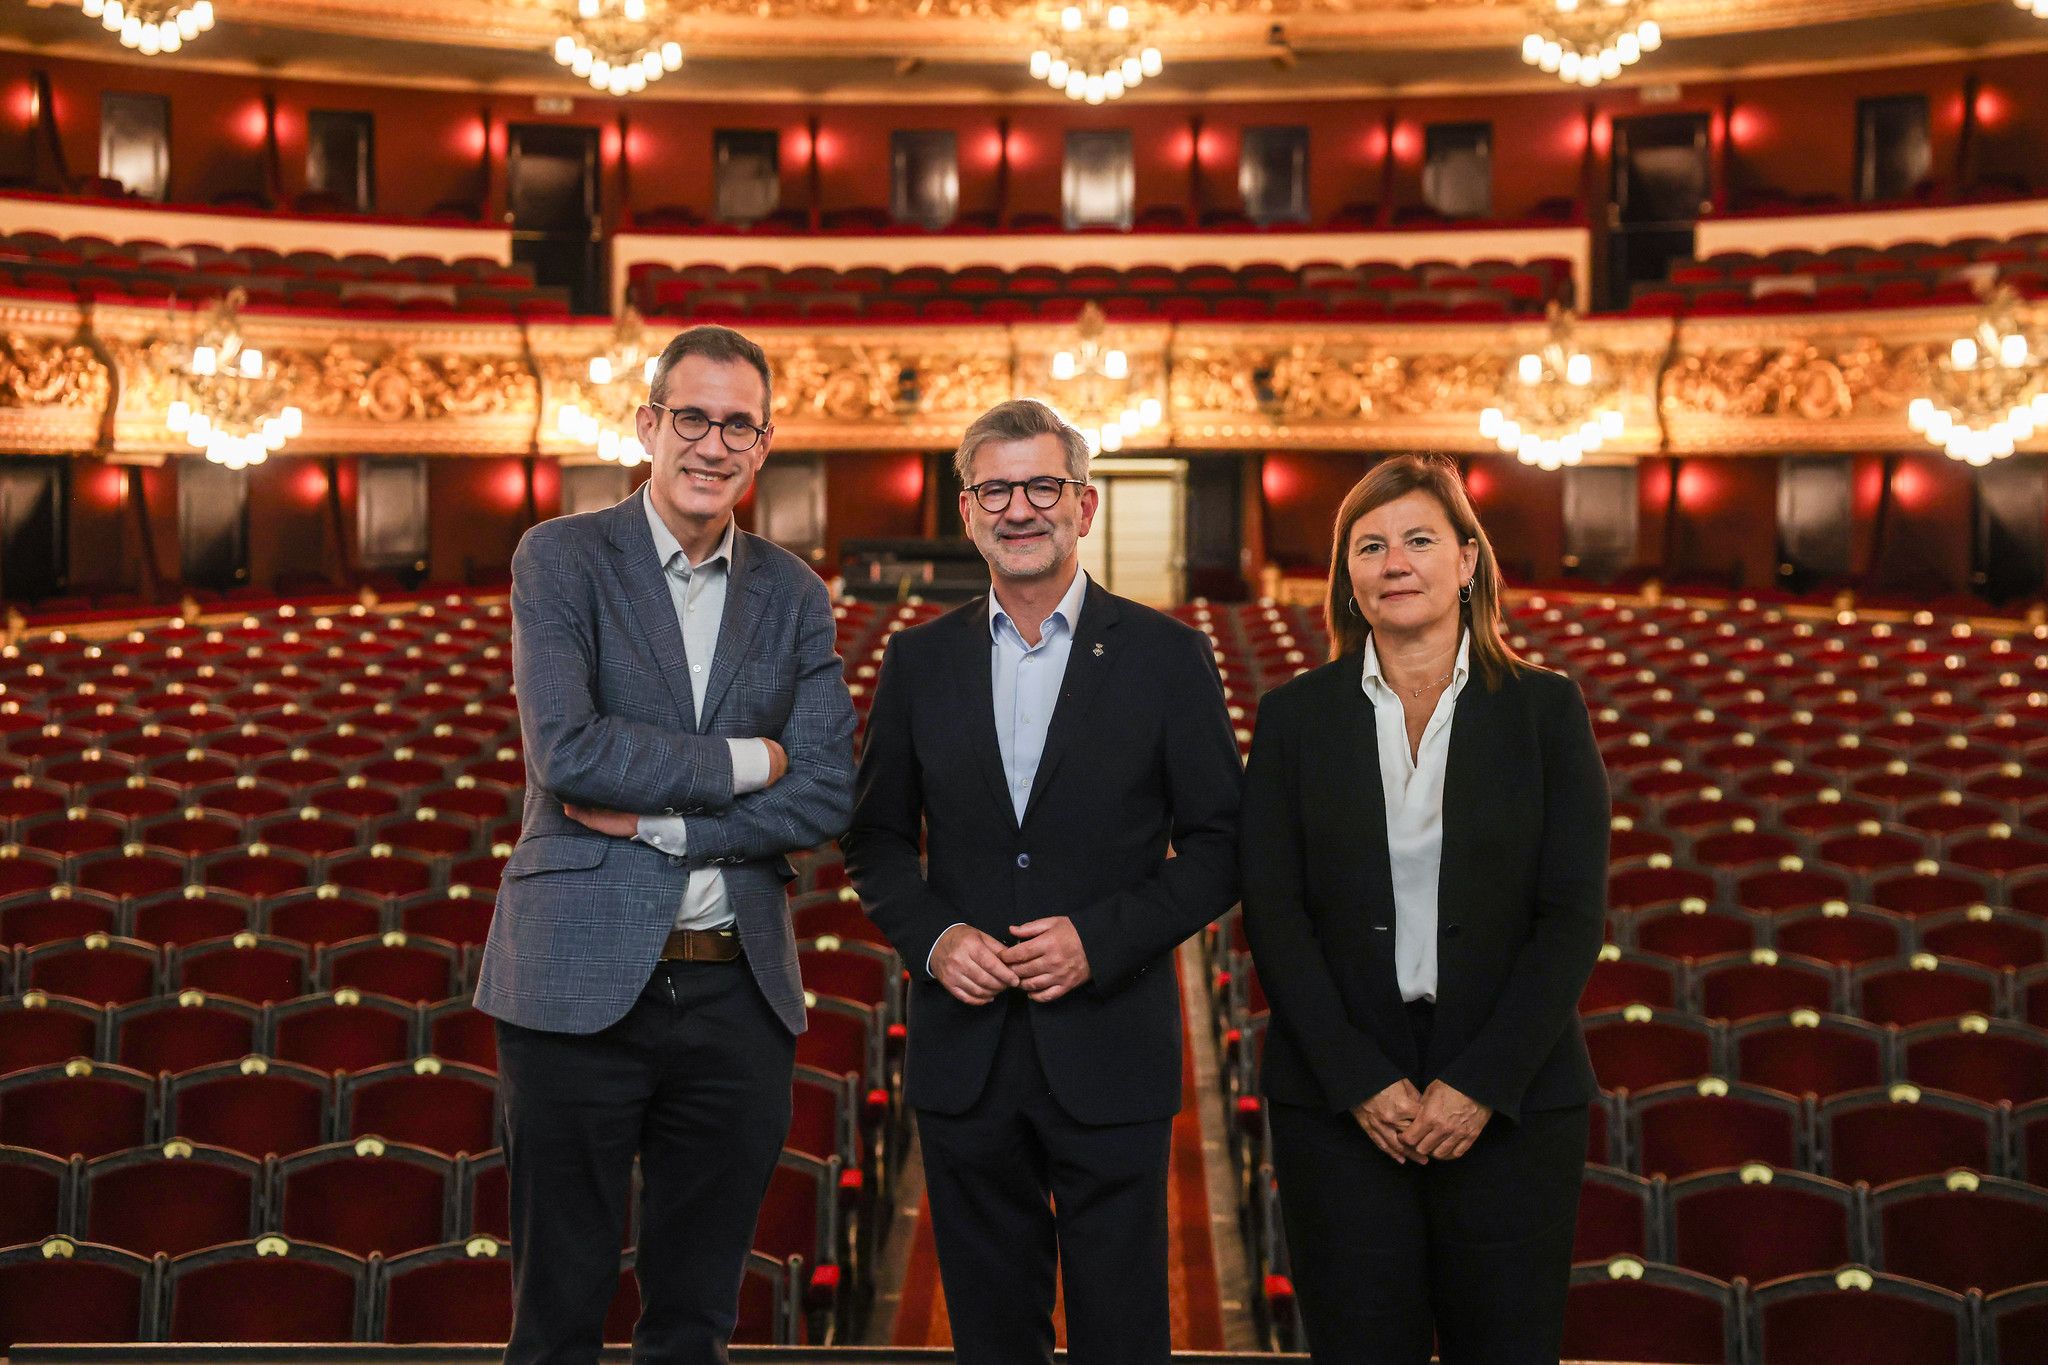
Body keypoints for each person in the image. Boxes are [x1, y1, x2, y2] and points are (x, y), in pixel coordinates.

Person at [474, 324, 856, 1365]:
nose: (712, 443)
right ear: (648, 426)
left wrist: (663, 820)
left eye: (739, 424)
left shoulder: (792, 592)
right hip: (573, 984)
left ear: (763, 444)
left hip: (738, 995)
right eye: (691, 417)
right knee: (557, 1313)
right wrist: (750, 762)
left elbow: (826, 789)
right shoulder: (561, 555)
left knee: (695, 1319)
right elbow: (570, 753)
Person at [842, 398, 1242, 1365]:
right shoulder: (918, 659)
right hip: (966, 1052)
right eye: (996, 489)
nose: (1020, 508)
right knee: (989, 1330)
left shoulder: (1167, 654)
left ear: (1084, 505)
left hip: (1110, 1043)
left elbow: (1228, 845)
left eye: (1043, 487)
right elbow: (878, 840)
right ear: (969, 510)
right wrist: (937, 939)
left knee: (1123, 1330)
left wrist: (1101, 940)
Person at [1238, 453, 1609, 1365]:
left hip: (1510, 1096)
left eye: (1417, 539)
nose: (1394, 561)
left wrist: (1482, 1082)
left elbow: (1570, 917)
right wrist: (1358, 1078)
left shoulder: (1545, 710)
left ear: (1467, 562)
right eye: (1369, 545)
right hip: (1341, 1100)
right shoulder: (1293, 716)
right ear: (1347, 575)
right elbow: (1275, 916)